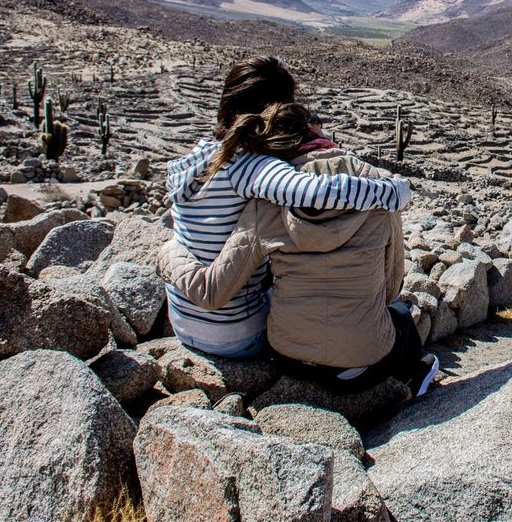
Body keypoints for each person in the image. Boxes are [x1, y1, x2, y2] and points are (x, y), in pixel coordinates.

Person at [161, 100, 439, 398]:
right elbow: (391, 286)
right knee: (398, 312)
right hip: (362, 364)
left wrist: (167, 251)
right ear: (315, 131)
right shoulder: (380, 195)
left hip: (288, 358)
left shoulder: (266, 199)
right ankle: (415, 376)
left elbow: (217, 287)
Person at [161, 56, 413, 359]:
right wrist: (392, 191)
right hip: (235, 335)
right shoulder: (251, 168)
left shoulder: (196, 159)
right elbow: (316, 192)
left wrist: (169, 249)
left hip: (183, 322)